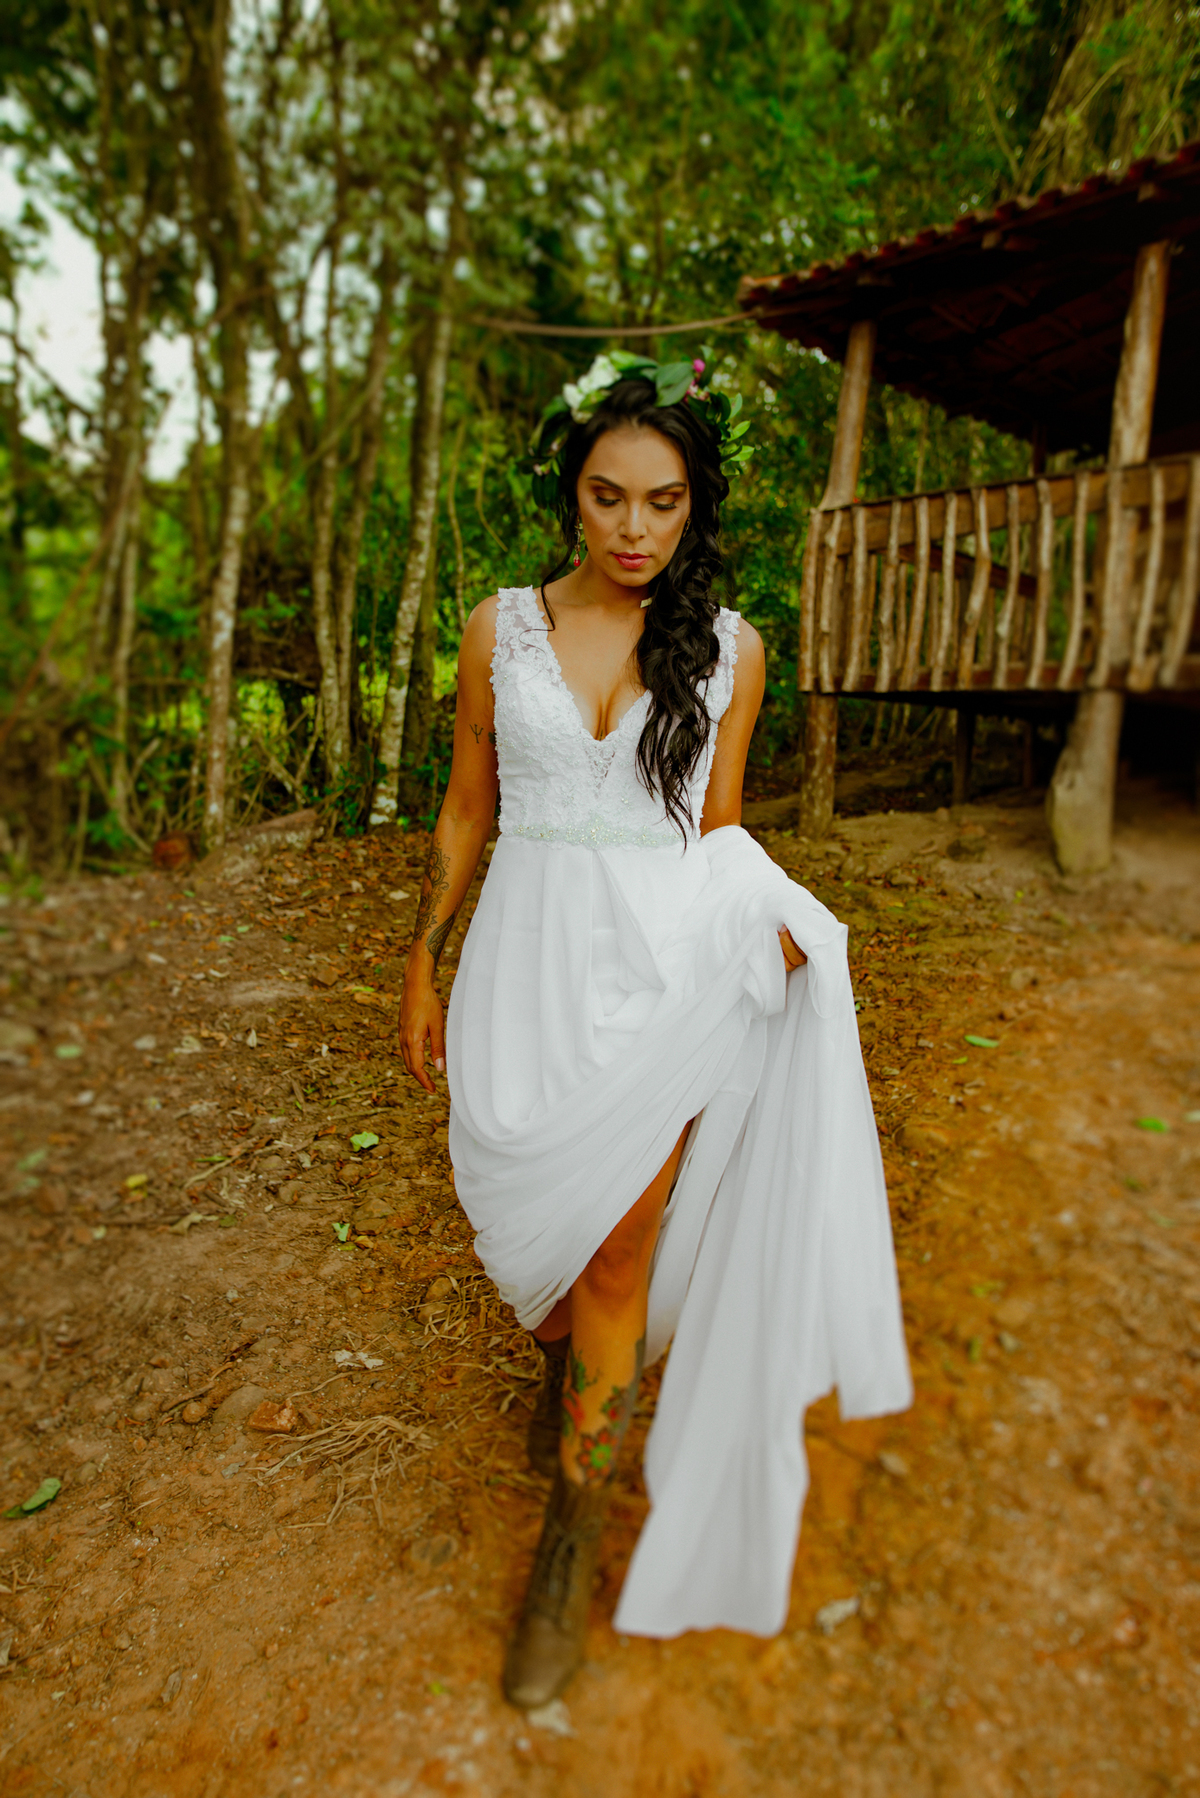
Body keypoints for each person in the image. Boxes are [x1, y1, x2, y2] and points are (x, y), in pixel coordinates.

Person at [398, 351, 911, 1710]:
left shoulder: (732, 650)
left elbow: (722, 828)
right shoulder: (495, 629)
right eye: (610, 498)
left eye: (665, 503)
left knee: (621, 1257)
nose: (635, 531)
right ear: (571, 491)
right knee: (549, 1253)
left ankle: (569, 1540)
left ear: (697, 505)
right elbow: (466, 806)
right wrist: (423, 954)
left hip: (659, 974)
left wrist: (778, 922)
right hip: (522, 969)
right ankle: (570, 1353)